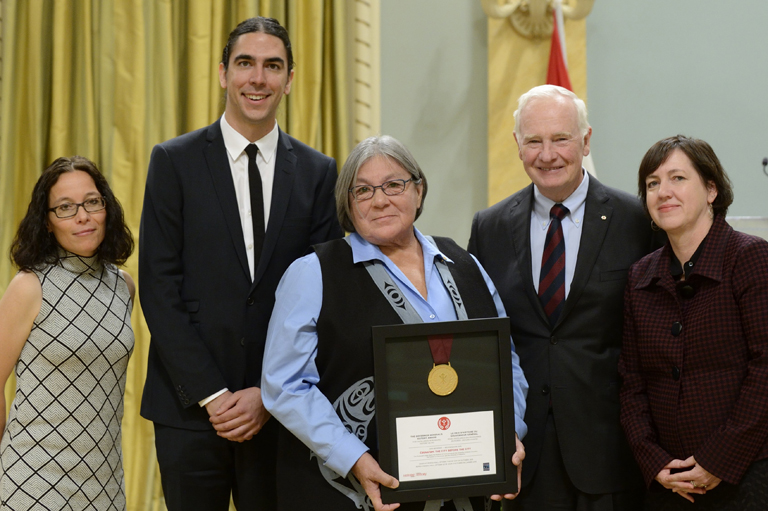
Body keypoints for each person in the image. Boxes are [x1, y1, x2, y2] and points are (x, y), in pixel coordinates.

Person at [138, 16, 343, 510]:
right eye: (245, 63)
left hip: (279, 413)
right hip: (190, 410)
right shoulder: (173, 161)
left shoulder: (318, 173)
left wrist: (267, 397)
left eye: (273, 66)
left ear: (290, 79)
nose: (258, 78)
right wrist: (214, 395)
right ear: (223, 73)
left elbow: (322, 296)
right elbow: (159, 287)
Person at [261, 135, 528, 511]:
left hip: (467, 488)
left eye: (394, 184)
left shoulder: (466, 264)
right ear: (348, 205)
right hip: (360, 493)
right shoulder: (313, 274)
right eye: (363, 190)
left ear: (418, 191)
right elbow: (285, 385)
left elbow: (506, 361)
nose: (380, 199)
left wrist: (508, 434)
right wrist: (352, 457)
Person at [468, 85, 658, 510]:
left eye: (561, 139)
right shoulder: (490, 227)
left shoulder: (637, 220)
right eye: (534, 141)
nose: (547, 154)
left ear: (586, 140)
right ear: (518, 146)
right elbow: (481, 340)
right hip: (523, 455)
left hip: (611, 449)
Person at [619, 135, 768, 510]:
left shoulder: (751, 258)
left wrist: (716, 461)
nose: (663, 192)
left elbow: (765, 371)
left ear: (712, 189)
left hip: (746, 477)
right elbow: (631, 380)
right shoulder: (641, 275)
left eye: (678, 178)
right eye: (652, 183)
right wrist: (653, 461)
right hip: (668, 485)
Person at [0, 156, 135, 510]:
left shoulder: (124, 286)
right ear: (46, 222)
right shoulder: (29, 285)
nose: (82, 216)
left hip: (104, 483)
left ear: (107, 208)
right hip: (33, 478)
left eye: (92, 202)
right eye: (65, 207)